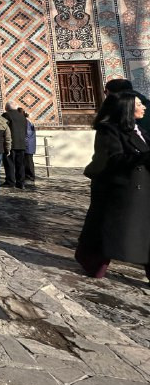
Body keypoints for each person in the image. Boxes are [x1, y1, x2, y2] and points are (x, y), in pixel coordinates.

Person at [75, 91, 150, 282]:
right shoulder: (108, 131)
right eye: (139, 104)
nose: (144, 107)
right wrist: (144, 157)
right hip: (121, 191)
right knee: (107, 231)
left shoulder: (139, 130)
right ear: (127, 108)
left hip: (142, 189)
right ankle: (94, 263)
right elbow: (114, 159)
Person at [2, 101, 27, 189]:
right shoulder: (22, 116)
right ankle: (21, 182)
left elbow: (3, 128)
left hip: (11, 143)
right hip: (21, 143)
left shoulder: (6, 115)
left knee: (9, 163)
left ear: (6, 108)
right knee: (20, 164)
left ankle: (10, 181)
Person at [22, 108, 36, 183]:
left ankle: (30, 176)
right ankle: (29, 176)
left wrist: (23, 142)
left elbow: (27, 134)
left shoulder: (26, 122)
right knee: (28, 161)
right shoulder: (29, 121)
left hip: (28, 145)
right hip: (30, 145)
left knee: (28, 161)